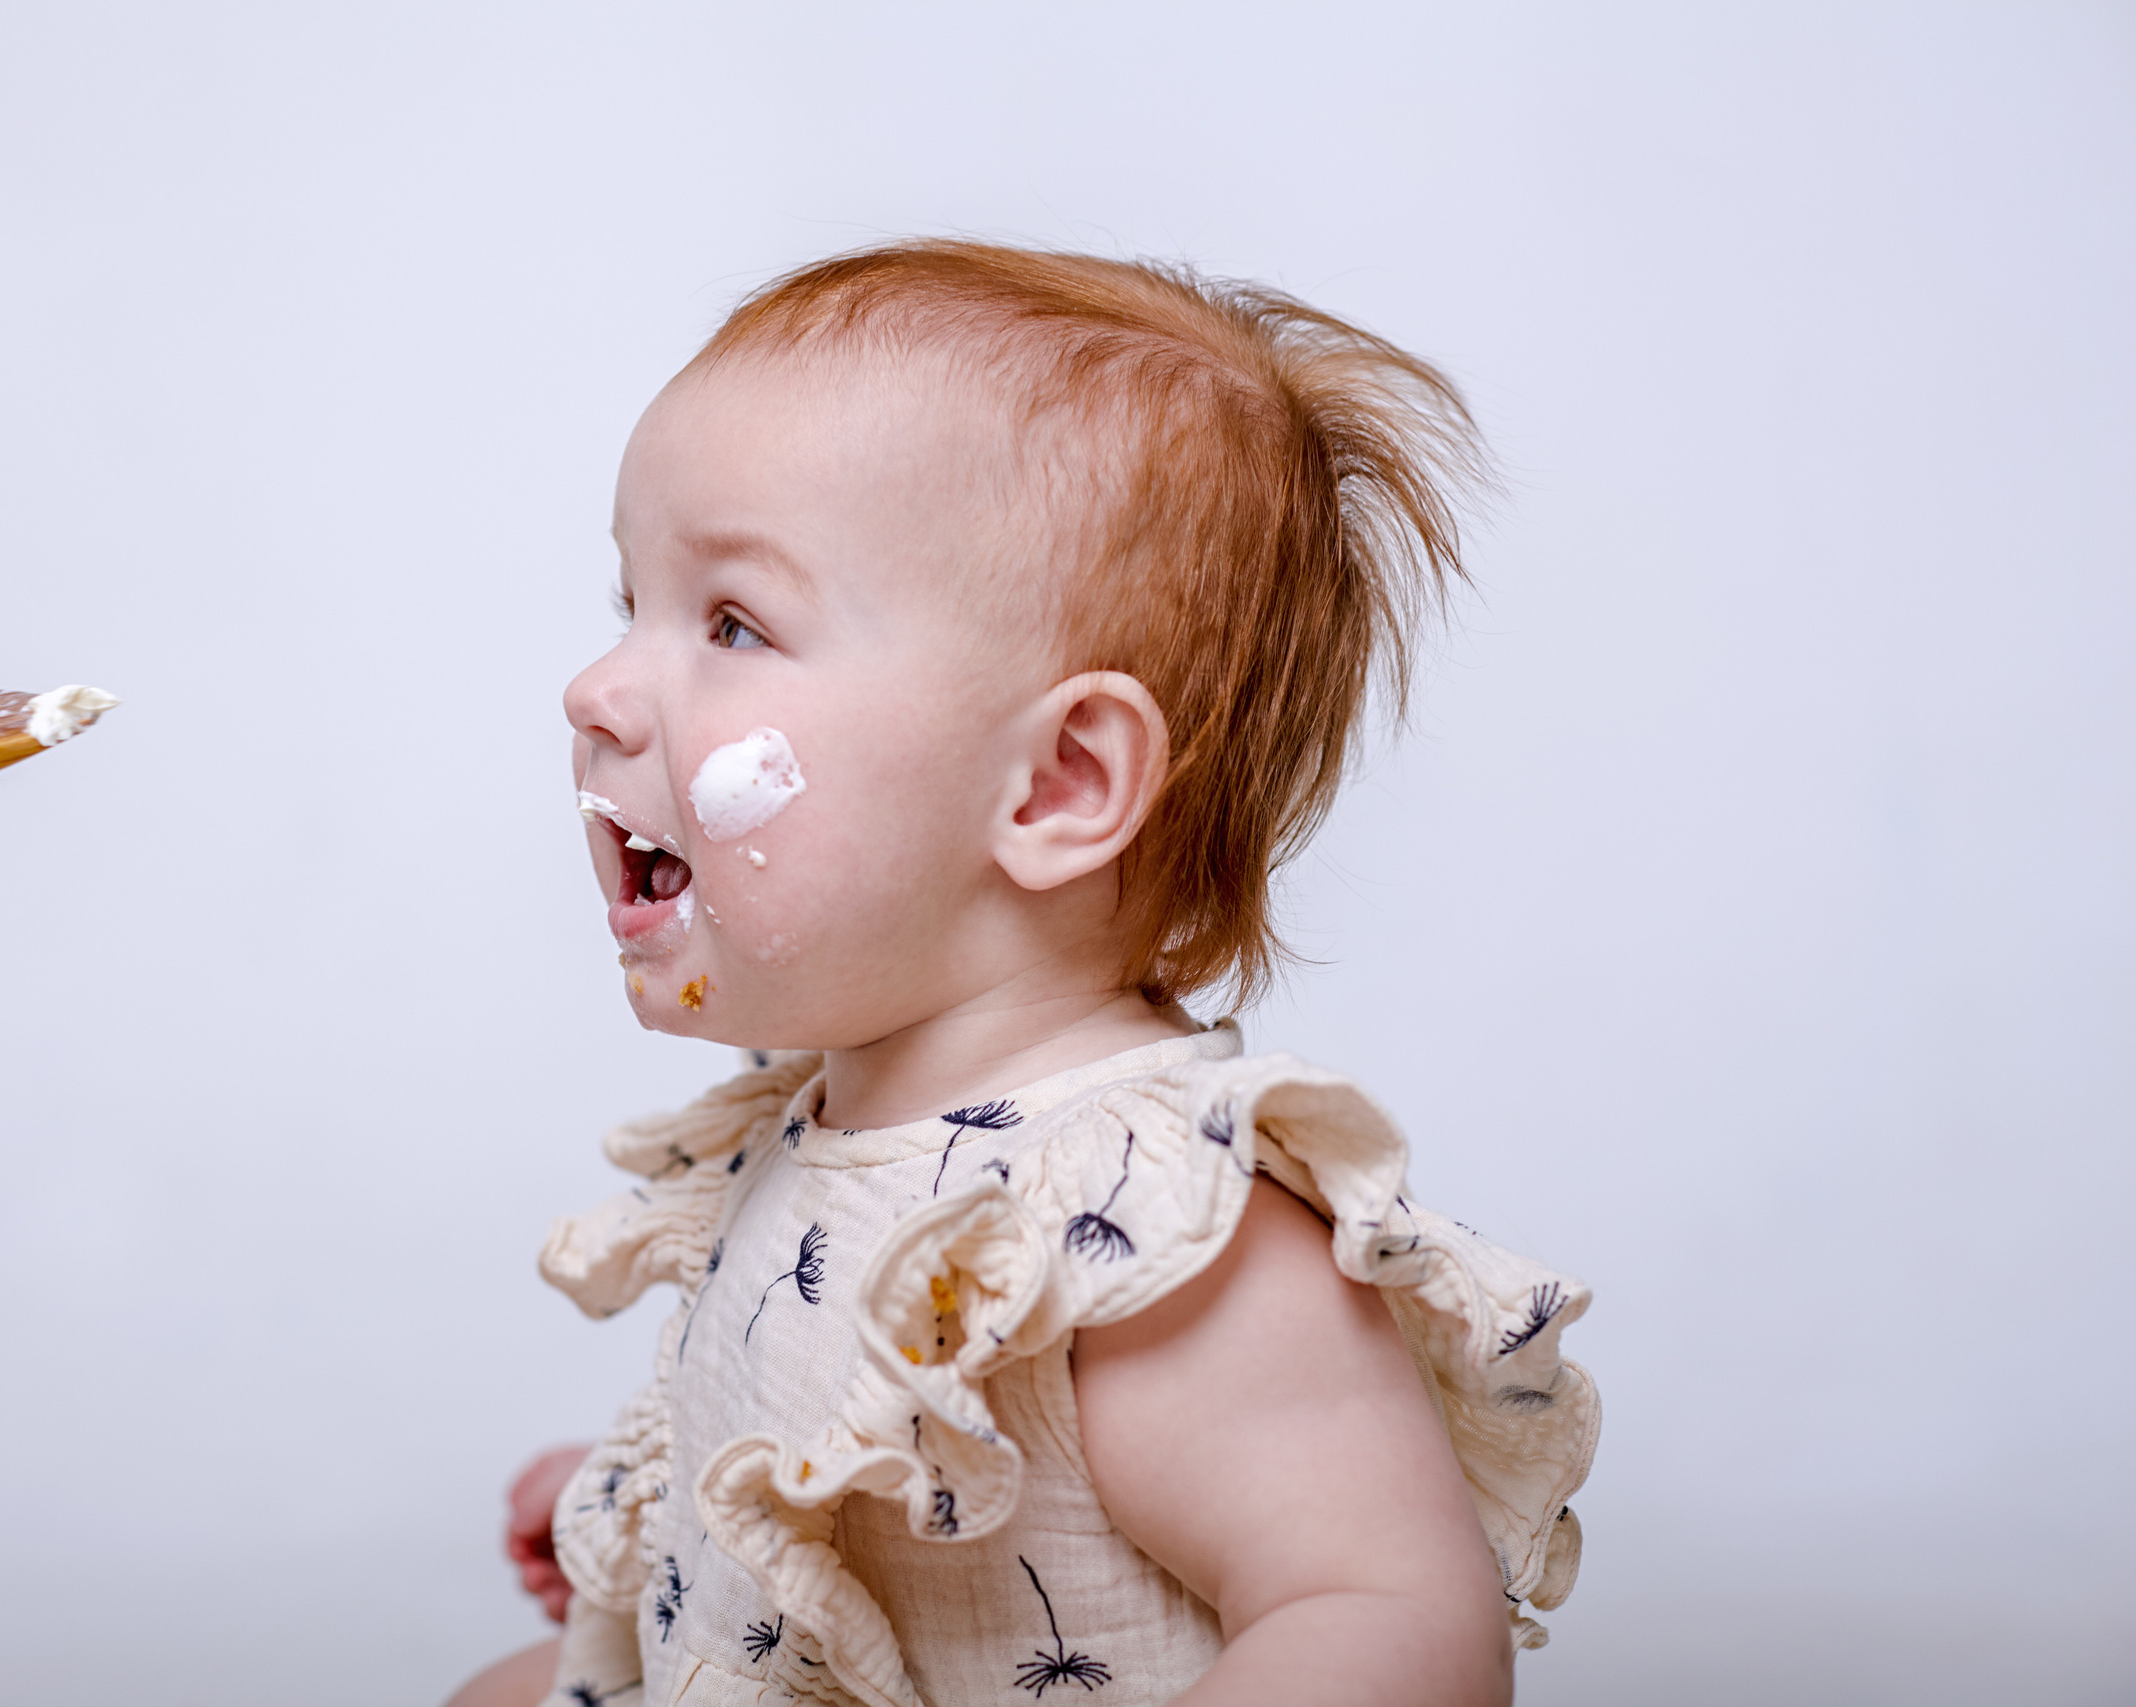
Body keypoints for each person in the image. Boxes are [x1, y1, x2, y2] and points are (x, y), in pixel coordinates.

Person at [448, 241, 1596, 1707]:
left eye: (732, 623)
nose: (596, 692)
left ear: (1056, 786)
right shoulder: (825, 1123)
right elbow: (841, 1420)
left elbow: (1390, 1619)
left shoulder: (1143, 1232)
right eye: (631, 609)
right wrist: (675, 1526)